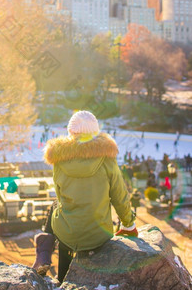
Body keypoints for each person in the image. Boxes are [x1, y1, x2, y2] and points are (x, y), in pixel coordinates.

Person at [32, 111, 137, 283]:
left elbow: (60, 195)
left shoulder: (58, 159)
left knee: (56, 205)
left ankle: (49, 260)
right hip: (99, 235)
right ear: (95, 133)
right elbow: (119, 196)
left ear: (70, 133)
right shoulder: (107, 159)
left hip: (67, 234)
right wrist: (128, 223)